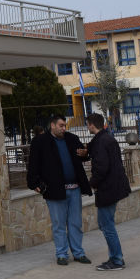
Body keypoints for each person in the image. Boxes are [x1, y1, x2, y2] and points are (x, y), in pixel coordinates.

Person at [27, 113, 92, 265]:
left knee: (75, 223)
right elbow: (33, 165)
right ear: (52, 125)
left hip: (75, 189)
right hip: (54, 190)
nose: (64, 128)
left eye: (65, 126)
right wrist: (34, 183)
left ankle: (78, 253)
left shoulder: (72, 139)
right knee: (59, 224)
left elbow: (82, 155)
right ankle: (62, 254)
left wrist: (85, 154)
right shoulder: (40, 142)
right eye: (61, 125)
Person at [80, 112, 131, 271]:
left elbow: (101, 168)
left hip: (108, 189)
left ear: (91, 125)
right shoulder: (106, 139)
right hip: (114, 187)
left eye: (87, 124)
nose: (87, 127)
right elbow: (96, 151)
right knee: (106, 224)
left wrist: (90, 184)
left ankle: (116, 260)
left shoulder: (101, 142)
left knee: (106, 225)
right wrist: (86, 152)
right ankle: (115, 258)